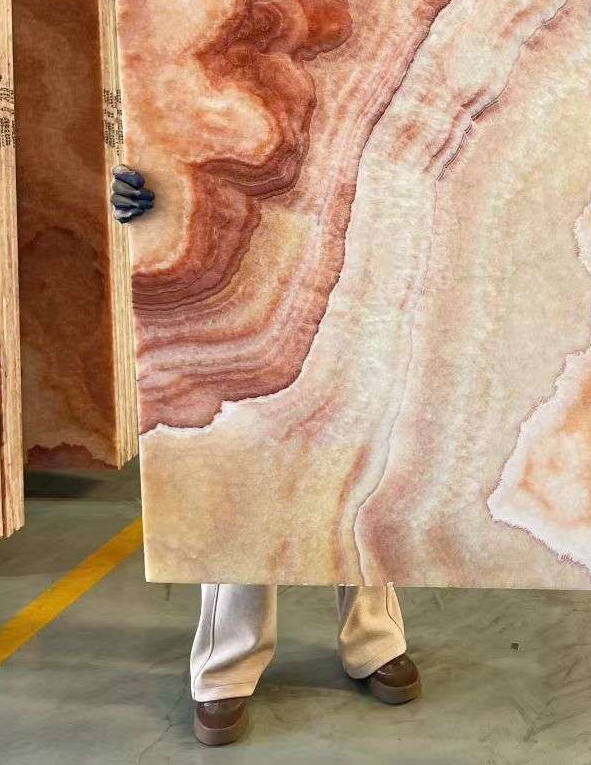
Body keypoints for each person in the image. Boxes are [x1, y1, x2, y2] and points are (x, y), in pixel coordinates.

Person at [113, 166, 421, 747]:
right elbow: (172, 130)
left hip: (351, 236)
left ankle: (375, 638)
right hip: (228, 259)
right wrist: (149, 193)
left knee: (352, 452)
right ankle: (227, 662)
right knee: (238, 460)